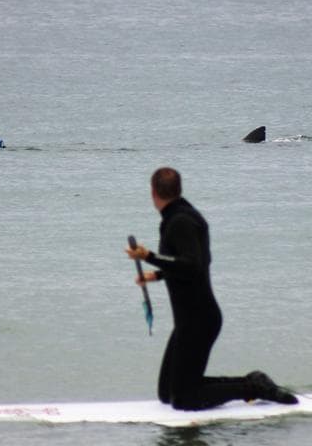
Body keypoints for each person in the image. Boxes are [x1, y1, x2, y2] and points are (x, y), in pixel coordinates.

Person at [125, 167, 298, 411]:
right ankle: (250, 381)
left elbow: (193, 265)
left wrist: (149, 256)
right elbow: (191, 263)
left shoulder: (180, 221)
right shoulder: (184, 216)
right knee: (168, 394)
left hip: (198, 321)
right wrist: (157, 275)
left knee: (183, 399)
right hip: (190, 321)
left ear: (153, 192)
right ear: (179, 188)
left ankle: (254, 387)